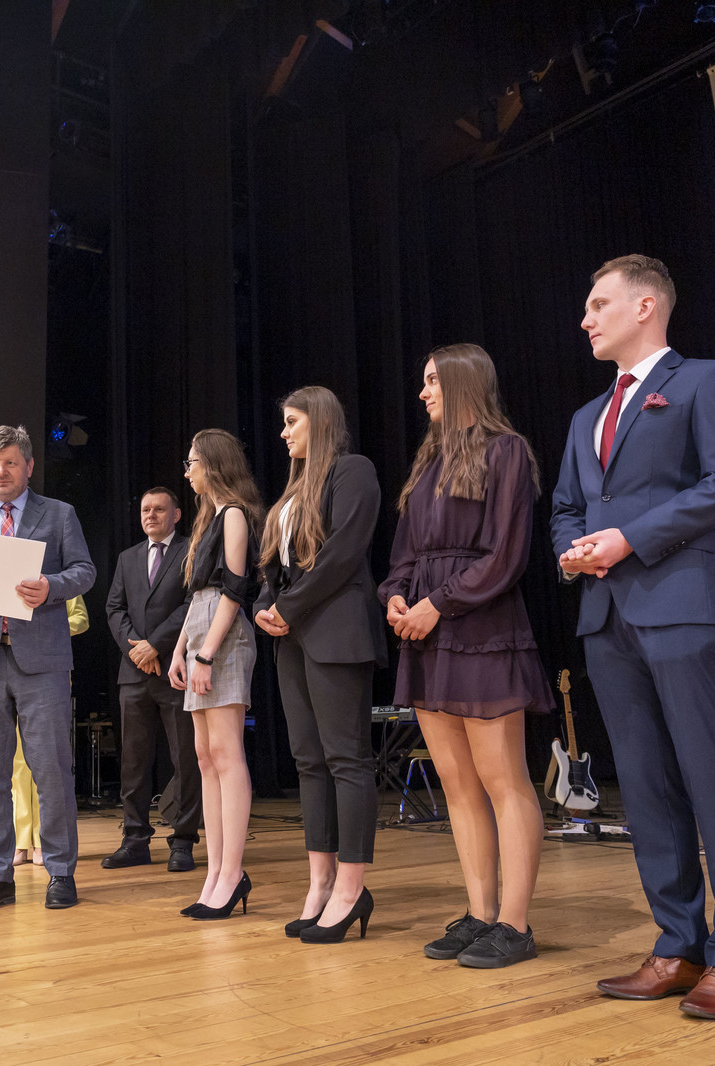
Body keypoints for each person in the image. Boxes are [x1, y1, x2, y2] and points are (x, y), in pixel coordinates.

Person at [552, 254, 715, 1020]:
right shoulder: (586, 416)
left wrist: (628, 539)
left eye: (599, 303)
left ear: (646, 306)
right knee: (644, 789)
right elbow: (566, 507)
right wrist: (573, 550)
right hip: (607, 617)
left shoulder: (707, 381)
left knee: (709, 780)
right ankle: (677, 946)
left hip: (683, 607)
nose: (586, 318)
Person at [379, 345, 551, 968]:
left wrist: (438, 603)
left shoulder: (507, 452)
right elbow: (404, 554)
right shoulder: (427, 465)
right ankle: (480, 913)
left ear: (462, 383)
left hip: (481, 628)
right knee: (456, 783)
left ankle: (515, 924)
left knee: (504, 780)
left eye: (432, 381)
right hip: (427, 634)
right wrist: (397, 595)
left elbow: (506, 557)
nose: (423, 392)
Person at [0, 425, 96, 912]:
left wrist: (51, 586)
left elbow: (84, 571)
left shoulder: (59, 514)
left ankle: (61, 872)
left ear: (28, 466)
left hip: (42, 662)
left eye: (8, 463)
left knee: (52, 771)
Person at [254, 387, 386, 943]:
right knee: (308, 761)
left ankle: (352, 888)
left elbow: (341, 554)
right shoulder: (293, 490)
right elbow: (274, 565)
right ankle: (320, 883)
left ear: (320, 420)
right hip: (293, 637)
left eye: (292, 422)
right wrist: (265, 604)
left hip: (336, 631)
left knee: (346, 759)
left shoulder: (353, 471)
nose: (284, 433)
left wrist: (288, 607)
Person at [170, 429, 262, 921]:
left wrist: (205, 654)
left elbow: (234, 589)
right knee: (205, 758)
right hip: (201, 633)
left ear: (212, 463)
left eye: (192, 462)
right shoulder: (209, 519)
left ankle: (232, 873)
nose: (188, 471)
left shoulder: (234, 514)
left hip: (223, 638)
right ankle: (215, 873)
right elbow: (197, 596)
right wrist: (180, 651)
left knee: (227, 755)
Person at [103, 488, 200, 873]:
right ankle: (135, 840)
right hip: (134, 673)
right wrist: (135, 650)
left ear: (176, 514)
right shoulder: (127, 558)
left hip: (175, 668)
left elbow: (193, 603)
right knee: (133, 761)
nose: (151, 515)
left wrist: (155, 645)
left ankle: (184, 840)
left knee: (185, 757)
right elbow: (114, 608)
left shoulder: (191, 550)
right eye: (145, 509)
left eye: (159, 509)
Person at [11, 595, 90, 866]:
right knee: (18, 765)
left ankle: (43, 841)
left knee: (47, 763)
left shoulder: (58, 579)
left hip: (48, 670)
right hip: (12, 670)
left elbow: (81, 619)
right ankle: (21, 841)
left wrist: (45, 629)